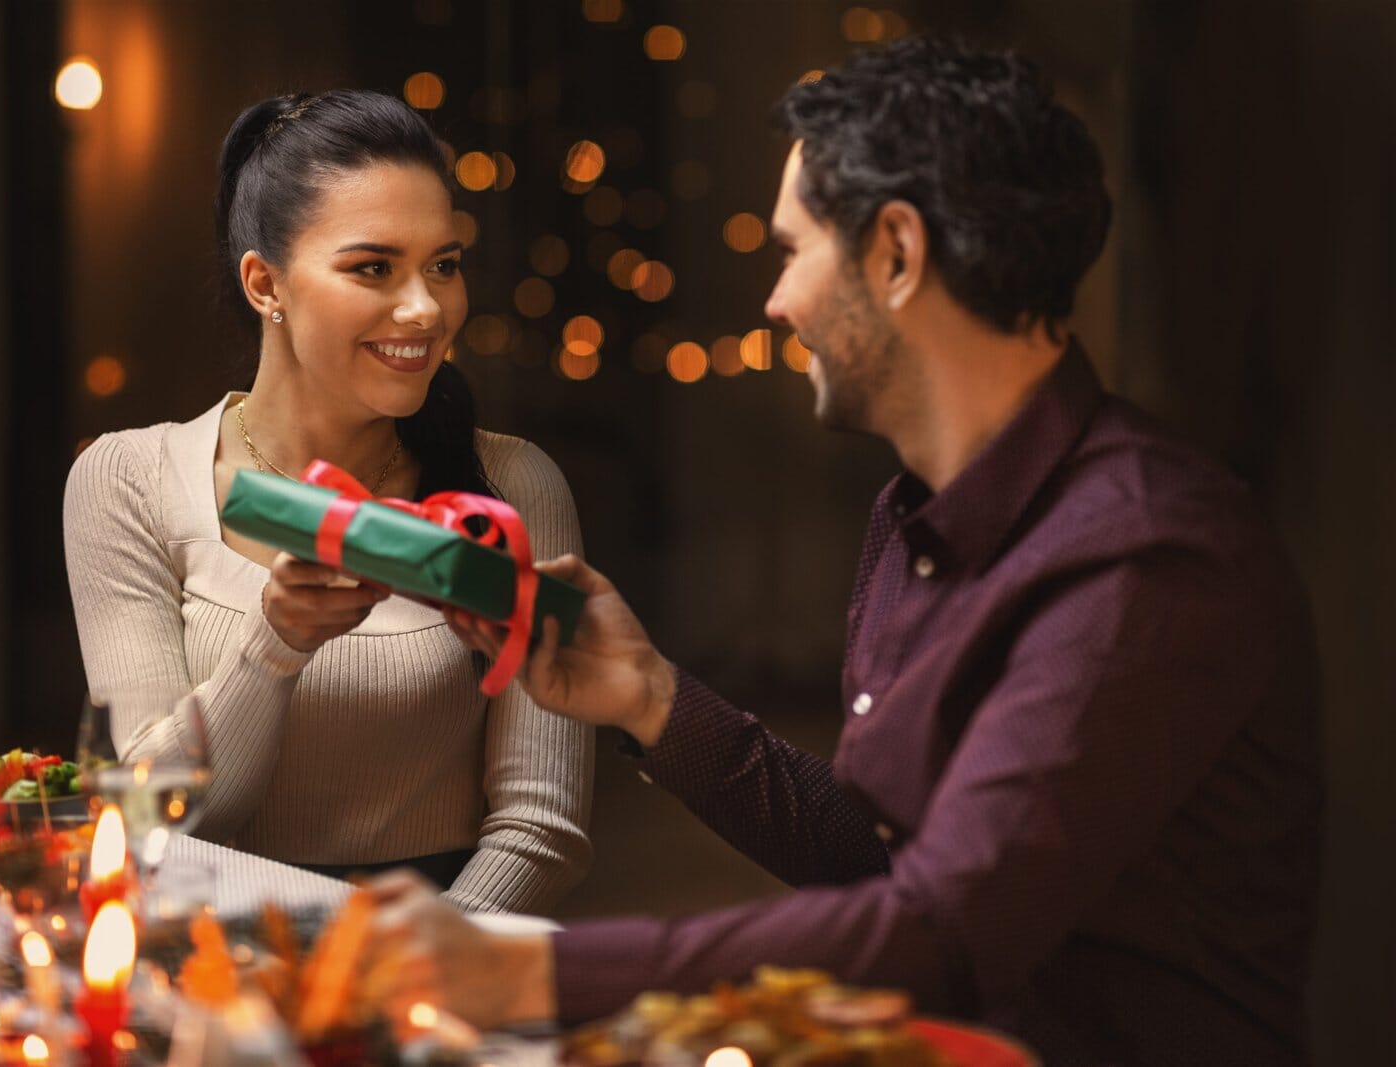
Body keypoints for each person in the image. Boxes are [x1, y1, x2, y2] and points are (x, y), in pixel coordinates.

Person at [365, 39, 1321, 1066]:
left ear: (896, 255)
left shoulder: (1146, 553)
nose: (775, 303)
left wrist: (528, 970)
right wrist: (647, 695)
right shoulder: (912, 516)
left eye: (790, 249)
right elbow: (880, 867)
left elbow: (940, 928)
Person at [63, 90, 593, 914]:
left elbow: (540, 826)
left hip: (442, 974)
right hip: (209, 964)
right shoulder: (128, 479)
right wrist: (276, 641)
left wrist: (406, 971)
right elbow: (142, 814)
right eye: (373, 267)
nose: (427, 308)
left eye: (444, 265)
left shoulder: (514, 487)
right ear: (264, 283)